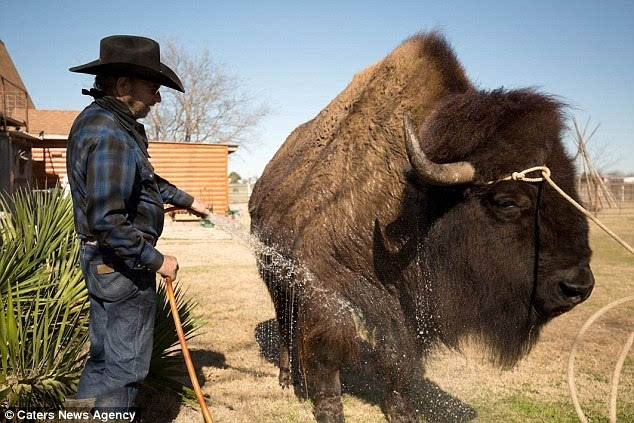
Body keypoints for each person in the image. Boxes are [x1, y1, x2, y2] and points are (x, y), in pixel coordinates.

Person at [66, 35, 210, 412]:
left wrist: (188, 201)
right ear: (124, 84)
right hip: (122, 266)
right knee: (124, 370)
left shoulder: (103, 122)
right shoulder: (110, 133)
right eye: (153, 88)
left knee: (102, 361)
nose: (158, 99)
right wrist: (158, 260)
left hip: (106, 263)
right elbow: (108, 221)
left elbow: (144, 181)